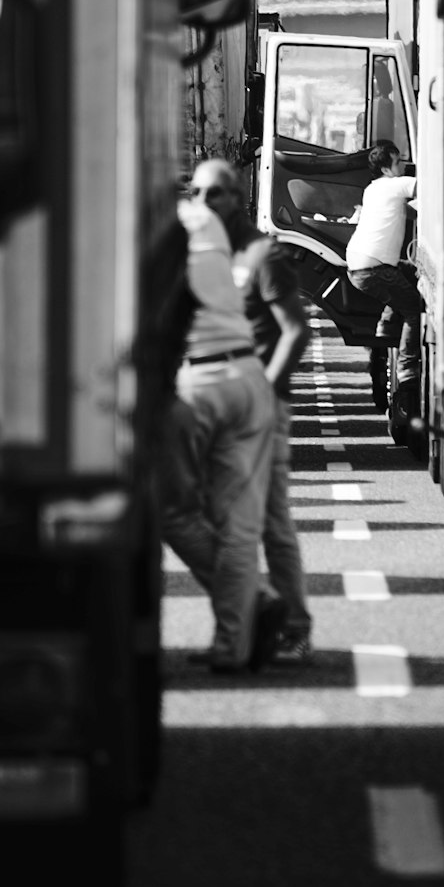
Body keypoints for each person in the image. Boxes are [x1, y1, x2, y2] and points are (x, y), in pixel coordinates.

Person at [192, 158, 315, 664]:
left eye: (214, 194)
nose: (203, 204)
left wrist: (265, 392)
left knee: (270, 523)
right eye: (196, 193)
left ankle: (293, 626)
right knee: (219, 522)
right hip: (222, 405)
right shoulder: (205, 255)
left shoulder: (262, 254)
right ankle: (244, 627)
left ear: (236, 197)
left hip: (262, 405)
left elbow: (295, 330)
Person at [160, 177, 285, 675]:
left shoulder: (160, 231)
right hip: (247, 377)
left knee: (174, 510)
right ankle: (234, 644)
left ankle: (252, 602)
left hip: (200, 380)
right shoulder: (207, 224)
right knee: (239, 526)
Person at [344, 139, 422, 400]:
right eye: (398, 161)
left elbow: (403, 211)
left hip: (357, 266)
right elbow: (429, 187)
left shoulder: (373, 189)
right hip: (374, 268)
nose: (403, 165)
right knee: (413, 308)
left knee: (406, 277)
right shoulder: (396, 185)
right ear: (387, 168)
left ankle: (384, 333)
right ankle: (407, 370)